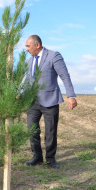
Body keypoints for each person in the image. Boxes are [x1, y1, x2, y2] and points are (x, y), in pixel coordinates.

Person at [23, 35, 77, 169]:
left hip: (50, 100)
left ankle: (51, 159)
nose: (26, 49)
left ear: (37, 45)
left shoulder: (53, 56)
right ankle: (37, 157)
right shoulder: (29, 61)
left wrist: (71, 95)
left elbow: (65, 75)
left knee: (50, 131)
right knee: (32, 129)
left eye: (28, 46)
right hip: (33, 101)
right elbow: (27, 81)